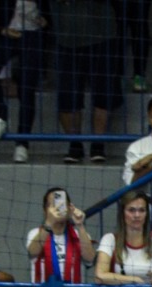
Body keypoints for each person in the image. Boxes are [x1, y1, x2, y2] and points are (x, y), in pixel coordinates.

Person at [51, 0, 122, 166]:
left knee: (103, 92)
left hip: (102, 35)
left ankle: (98, 145)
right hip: (66, 38)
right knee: (67, 96)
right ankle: (75, 145)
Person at [0, 0, 48, 165]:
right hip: (7, 33)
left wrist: (46, 21)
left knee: (27, 87)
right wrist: (0, 29)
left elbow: (50, 9)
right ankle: (1, 116)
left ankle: (22, 144)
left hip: (33, 35)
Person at [27, 186, 95, 287]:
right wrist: (49, 223)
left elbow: (90, 258)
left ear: (70, 207)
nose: (57, 208)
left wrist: (80, 225)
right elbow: (33, 251)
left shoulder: (79, 234)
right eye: (52, 204)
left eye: (61, 203)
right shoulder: (36, 233)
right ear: (45, 210)